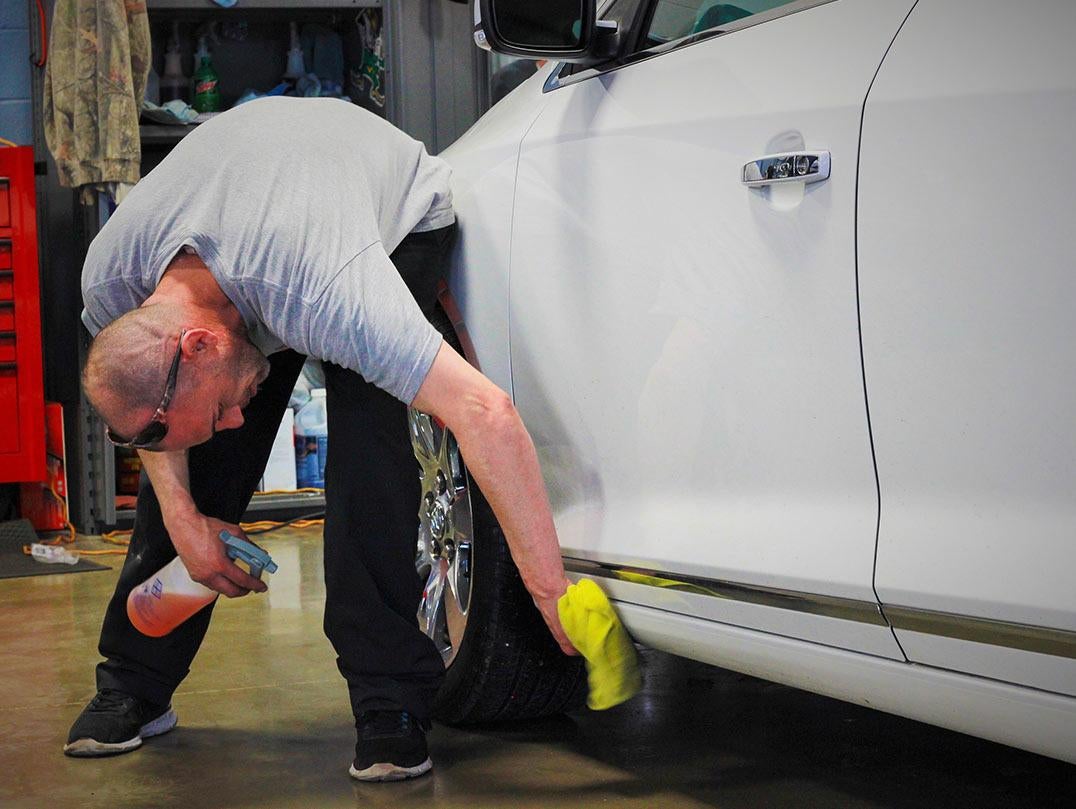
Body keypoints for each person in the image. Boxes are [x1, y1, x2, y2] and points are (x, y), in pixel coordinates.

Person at [66, 96, 576, 781]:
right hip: (261, 209)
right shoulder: (112, 283)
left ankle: (389, 702)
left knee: (373, 465)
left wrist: (550, 592)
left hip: (389, 222)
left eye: (223, 404)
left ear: (200, 344)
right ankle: (132, 682)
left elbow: (487, 413)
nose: (240, 423)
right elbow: (155, 423)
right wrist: (187, 521)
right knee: (199, 467)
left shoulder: (332, 293)